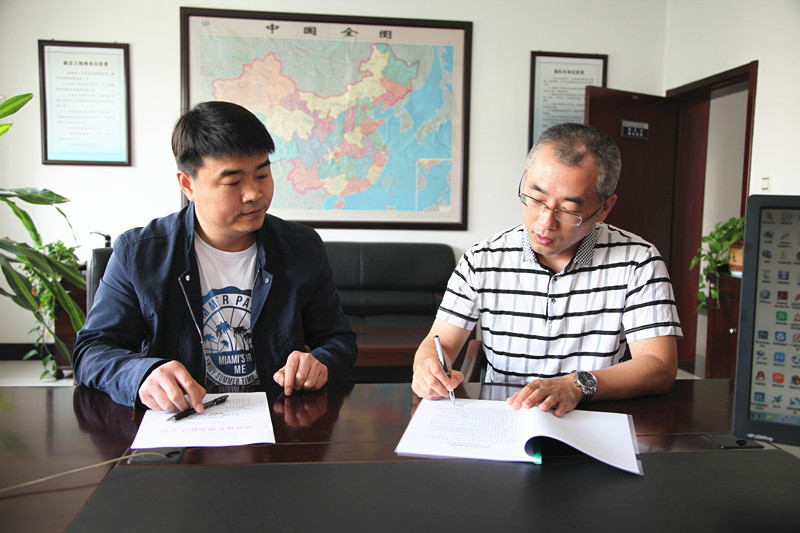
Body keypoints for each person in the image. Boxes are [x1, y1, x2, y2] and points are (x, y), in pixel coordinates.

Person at [74, 101, 357, 410]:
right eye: (232, 182)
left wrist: (321, 361)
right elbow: (92, 351)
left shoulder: (301, 247)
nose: (254, 194)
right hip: (183, 420)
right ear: (187, 185)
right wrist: (141, 374)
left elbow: (338, 340)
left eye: (262, 175)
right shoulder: (138, 254)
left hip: (276, 418)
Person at [412, 122, 681, 417]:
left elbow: (659, 366)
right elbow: (440, 343)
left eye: (569, 210)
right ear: (525, 178)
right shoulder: (482, 259)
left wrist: (576, 385)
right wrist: (426, 367)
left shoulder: (638, 261)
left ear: (604, 208)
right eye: (536, 199)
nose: (545, 223)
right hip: (504, 418)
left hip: (592, 418)